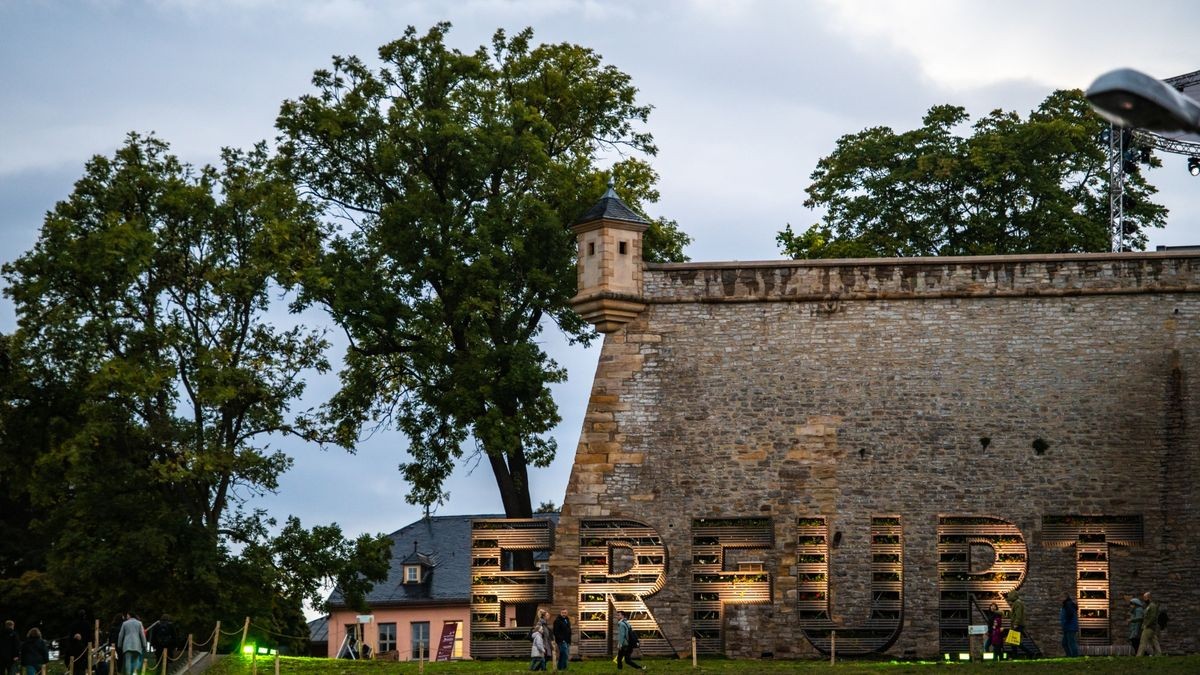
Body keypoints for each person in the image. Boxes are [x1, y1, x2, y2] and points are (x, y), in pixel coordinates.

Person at [1005, 591, 1036, 658]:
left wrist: (1016, 623)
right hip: (1017, 624)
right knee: (1012, 641)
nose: (1009, 598)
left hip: (1017, 625)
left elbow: (1018, 614)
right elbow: (1013, 614)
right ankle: (1015, 656)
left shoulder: (1017, 603)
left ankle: (1030, 653)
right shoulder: (1016, 603)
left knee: (1015, 641)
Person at [1136, 592, 1161, 656]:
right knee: (1155, 641)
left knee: (1143, 641)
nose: (1144, 599)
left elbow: (1153, 617)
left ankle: (1139, 656)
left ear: (1149, 597)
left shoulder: (1152, 606)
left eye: (1145, 598)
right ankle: (1158, 654)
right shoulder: (1149, 606)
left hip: (1149, 627)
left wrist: (1146, 625)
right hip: (1150, 627)